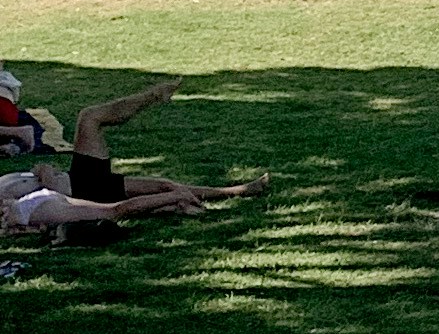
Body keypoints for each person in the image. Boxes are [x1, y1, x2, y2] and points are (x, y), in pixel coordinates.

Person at [0, 73, 266, 232]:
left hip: (78, 178)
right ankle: (234, 191)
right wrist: (45, 175)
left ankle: (230, 192)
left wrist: (42, 171)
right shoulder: (6, 200)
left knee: (91, 118)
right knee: (91, 118)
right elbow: (47, 203)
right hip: (83, 189)